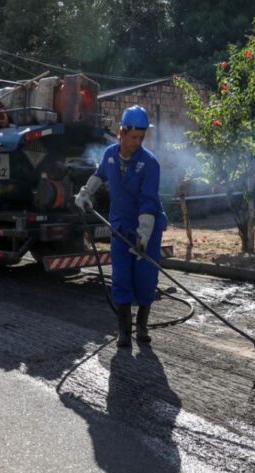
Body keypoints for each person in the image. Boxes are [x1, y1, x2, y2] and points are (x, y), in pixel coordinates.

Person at [74, 105, 168, 347]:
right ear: (122, 132)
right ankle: (124, 330)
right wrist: (86, 193)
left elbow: (149, 202)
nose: (137, 142)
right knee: (121, 278)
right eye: (133, 136)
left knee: (146, 278)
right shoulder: (110, 155)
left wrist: (144, 235)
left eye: (141, 137)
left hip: (148, 228)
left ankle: (142, 326)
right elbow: (99, 175)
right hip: (120, 227)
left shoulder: (150, 163)